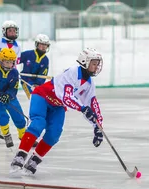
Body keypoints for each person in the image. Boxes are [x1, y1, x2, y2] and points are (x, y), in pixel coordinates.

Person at [10, 47, 104, 176]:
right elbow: (66, 96)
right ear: (85, 62)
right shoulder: (72, 72)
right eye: (94, 63)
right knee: (38, 124)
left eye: (97, 64)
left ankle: (34, 160)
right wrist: (82, 108)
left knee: (54, 134)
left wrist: (98, 126)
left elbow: (92, 104)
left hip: (57, 105)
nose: (97, 66)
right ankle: (20, 155)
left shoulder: (89, 84)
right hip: (42, 96)